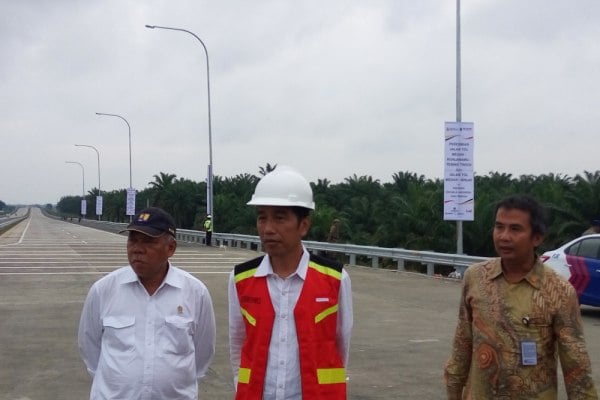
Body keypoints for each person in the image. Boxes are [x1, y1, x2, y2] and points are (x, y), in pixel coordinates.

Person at [444, 195, 598, 399]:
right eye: (499, 227)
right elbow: (462, 344)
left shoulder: (559, 291)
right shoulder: (475, 278)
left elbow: (576, 368)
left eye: (515, 229)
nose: (504, 236)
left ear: (537, 237)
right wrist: (453, 389)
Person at [228, 166, 353, 399]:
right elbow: (237, 343)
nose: (268, 228)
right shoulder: (241, 278)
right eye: (262, 217)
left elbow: (341, 345)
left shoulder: (334, 279)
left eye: (279, 218)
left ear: (303, 225)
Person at [78, 207, 216, 400]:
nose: (137, 248)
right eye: (132, 240)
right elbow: (90, 349)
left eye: (149, 241)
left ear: (171, 248)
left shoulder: (195, 292)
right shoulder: (103, 290)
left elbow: (202, 354)